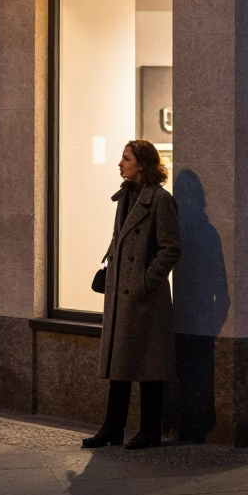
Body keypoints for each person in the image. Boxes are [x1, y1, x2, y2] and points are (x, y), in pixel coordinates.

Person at [83, 139, 180, 451]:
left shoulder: (161, 201)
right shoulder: (126, 196)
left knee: (149, 367)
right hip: (121, 295)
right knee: (120, 365)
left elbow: (171, 248)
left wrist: (145, 281)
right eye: (122, 158)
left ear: (142, 164)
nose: (121, 164)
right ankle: (112, 428)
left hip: (144, 299)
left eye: (126, 159)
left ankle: (150, 431)